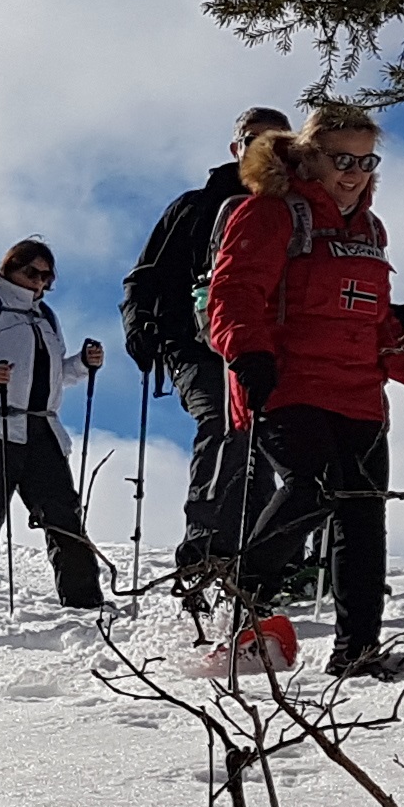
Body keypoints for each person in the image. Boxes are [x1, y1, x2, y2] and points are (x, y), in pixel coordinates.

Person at [205, 102, 404, 679]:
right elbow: (233, 292)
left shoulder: (369, 229)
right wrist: (248, 353)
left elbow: (378, 326)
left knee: (362, 520)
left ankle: (357, 651)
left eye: (366, 160)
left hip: (360, 396)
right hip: (287, 385)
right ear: (311, 155)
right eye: (341, 158)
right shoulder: (270, 213)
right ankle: (243, 603)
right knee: (313, 488)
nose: (354, 171)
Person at [125, 105, 291, 611]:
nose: (262, 149)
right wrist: (141, 327)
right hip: (195, 344)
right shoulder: (195, 207)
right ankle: (203, 552)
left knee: (264, 447)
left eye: (275, 141)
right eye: (252, 139)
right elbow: (147, 274)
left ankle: (260, 563)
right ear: (235, 147)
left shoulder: (297, 210)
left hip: (266, 345)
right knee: (224, 425)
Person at [0, 238, 107, 616]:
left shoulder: (46, 316)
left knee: (62, 515)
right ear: (10, 268)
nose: (40, 282)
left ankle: (84, 601)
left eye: (47, 276)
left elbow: (54, 375)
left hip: (39, 428)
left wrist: (82, 363)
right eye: (32, 273)